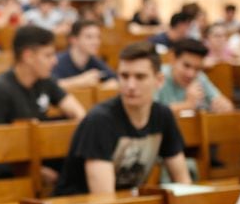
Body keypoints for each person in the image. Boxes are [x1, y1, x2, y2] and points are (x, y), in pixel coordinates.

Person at [55, 42, 191, 196]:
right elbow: (103, 199)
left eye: (140, 77)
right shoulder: (100, 120)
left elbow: (183, 182)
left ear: (159, 80)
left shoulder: (163, 115)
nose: (130, 85)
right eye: (124, 76)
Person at [0, 25, 86, 124]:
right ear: (28, 56)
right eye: (48, 55)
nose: (55, 61)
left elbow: (79, 113)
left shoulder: (46, 81)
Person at [154, 39, 234, 113]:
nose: (191, 74)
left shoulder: (200, 77)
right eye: (186, 66)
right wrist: (187, 104)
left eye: (197, 69)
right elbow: (150, 112)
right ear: (173, 59)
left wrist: (223, 106)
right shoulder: (156, 77)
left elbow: (222, 102)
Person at [52, 19, 117, 90]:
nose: (96, 42)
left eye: (98, 37)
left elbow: (115, 79)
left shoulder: (94, 61)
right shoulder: (56, 61)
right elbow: (49, 86)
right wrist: (80, 81)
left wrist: (105, 87)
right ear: (73, 40)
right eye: (89, 37)